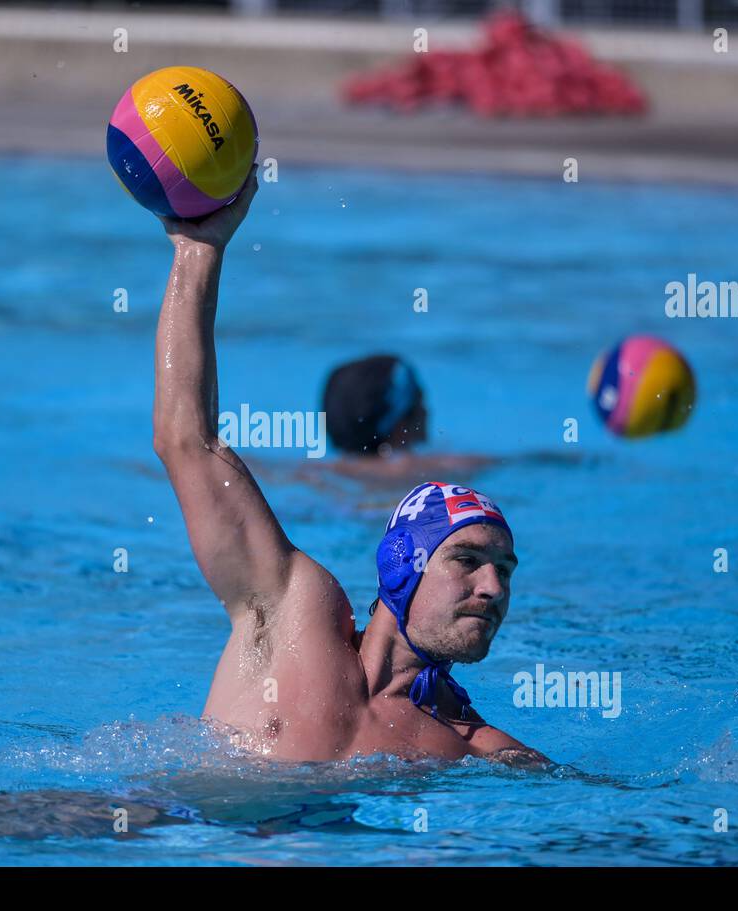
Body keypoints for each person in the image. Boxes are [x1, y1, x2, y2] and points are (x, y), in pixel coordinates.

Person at [152, 168, 547, 766]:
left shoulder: (469, 745)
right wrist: (198, 250)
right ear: (400, 565)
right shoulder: (290, 610)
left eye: (504, 572)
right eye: (468, 561)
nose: (493, 589)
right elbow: (187, 441)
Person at [320, 354, 496, 484]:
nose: (428, 410)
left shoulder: (313, 475)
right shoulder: (448, 467)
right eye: (420, 399)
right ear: (400, 422)